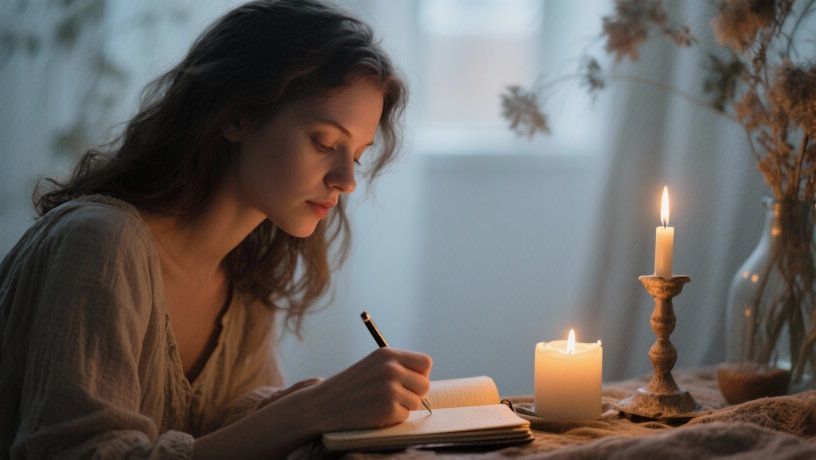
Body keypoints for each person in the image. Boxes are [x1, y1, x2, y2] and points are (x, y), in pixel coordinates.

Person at [0, 1, 433, 458]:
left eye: (359, 155)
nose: (346, 180)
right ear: (235, 115)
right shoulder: (102, 242)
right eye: (325, 142)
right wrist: (308, 411)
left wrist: (312, 406)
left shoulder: (247, 279)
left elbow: (234, 435)